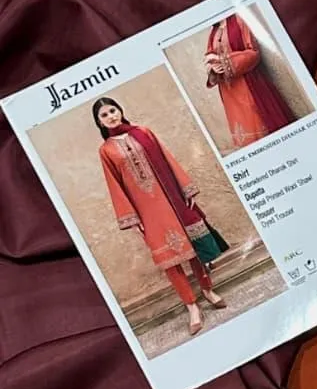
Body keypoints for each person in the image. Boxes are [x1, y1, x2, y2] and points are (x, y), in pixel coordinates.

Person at [94, 97, 227, 337]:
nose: (111, 116)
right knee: (169, 261)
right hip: (146, 211)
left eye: (112, 110)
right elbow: (115, 185)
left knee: (193, 249)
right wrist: (132, 218)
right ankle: (191, 306)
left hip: (172, 200)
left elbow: (168, 159)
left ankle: (208, 290)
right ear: (100, 122)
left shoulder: (143, 133)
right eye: (104, 115)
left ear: (120, 110)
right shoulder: (106, 151)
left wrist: (185, 190)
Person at [205, 14, 294, 150]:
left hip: (247, 83)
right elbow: (209, 56)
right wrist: (213, 67)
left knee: (257, 120)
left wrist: (226, 61)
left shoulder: (239, 20)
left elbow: (254, 51)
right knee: (242, 129)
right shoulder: (213, 31)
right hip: (228, 91)